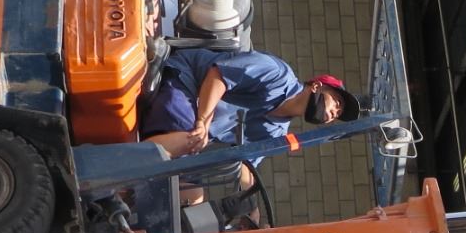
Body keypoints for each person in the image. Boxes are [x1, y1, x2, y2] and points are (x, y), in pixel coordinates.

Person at [138, 46, 364, 164]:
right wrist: (202, 121)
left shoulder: (276, 133)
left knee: (192, 193)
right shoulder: (276, 73)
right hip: (185, 82)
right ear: (316, 85)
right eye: (337, 102)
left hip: (194, 130)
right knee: (191, 138)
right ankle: (122, 162)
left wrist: (252, 211)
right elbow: (218, 76)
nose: (335, 112)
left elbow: (246, 168)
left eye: (338, 115)